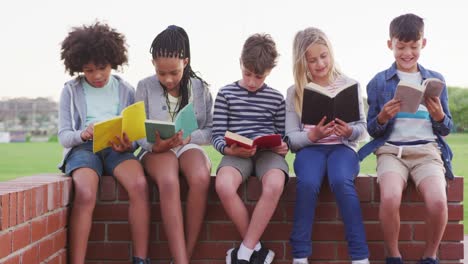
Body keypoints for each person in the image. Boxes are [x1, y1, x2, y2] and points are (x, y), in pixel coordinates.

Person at [358, 13, 453, 264]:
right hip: (391, 151)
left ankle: (430, 256)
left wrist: (440, 116)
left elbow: (446, 129)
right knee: (389, 197)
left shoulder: (435, 79)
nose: (407, 52)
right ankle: (393, 256)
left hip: (427, 152)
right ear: (390, 45)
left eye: (414, 46)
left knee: (438, 202)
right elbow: (373, 130)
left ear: (423, 43)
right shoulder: (378, 82)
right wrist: (382, 117)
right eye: (401, 47)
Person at [58, 22, 150, 264]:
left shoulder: (126, 90)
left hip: (116, 148)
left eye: (102, 68)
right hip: (84, 149)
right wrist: (83, 135)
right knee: (86, 193)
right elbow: (64, 135)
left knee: (140, 185)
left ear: (113, 61)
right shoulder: (71, 90)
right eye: (88, 70)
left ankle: (141, 259)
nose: (97, 76)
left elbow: (136, 137)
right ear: (78, 67)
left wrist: (128, 146)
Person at [285, 27, 370, 264]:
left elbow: (363, 129)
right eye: (312, 60)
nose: (320, 63)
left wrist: (350, 131)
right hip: (311, 149)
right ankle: (300, 256)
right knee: (308, 183)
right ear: (302, 63)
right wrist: (312, 136)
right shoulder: (294, 93)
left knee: (341, 181)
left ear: (330, 53)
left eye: (324, 56)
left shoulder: (350, 85)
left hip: (342, 148)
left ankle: (360, 256)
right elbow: (291, 138)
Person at [135, 25, 212, 264]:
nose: (167, 79)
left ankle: (184, 255)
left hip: (187, 144)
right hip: (156, 150)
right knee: (168, 180)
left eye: (174, 73)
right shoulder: (144, 86)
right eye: (161, 73)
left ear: (185, 62)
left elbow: (211, 131)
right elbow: (137, 132)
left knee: (200, 176)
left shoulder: (200, 88)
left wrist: (189, 138)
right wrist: (154, 146)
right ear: (153, 65)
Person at [212, 33, 289, 264]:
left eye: (259, 76)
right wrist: (229, 151)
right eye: (247, 74)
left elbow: (283, 136)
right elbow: (216, 136)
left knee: (275, 184)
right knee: (223, 186)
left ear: (269, 72)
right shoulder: (226, 94)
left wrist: (283, 146)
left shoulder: (276, 98)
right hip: (236, 153)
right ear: (240, 63)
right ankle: (257, 248)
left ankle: (244, 253)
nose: (252, 82)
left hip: (268, 154)